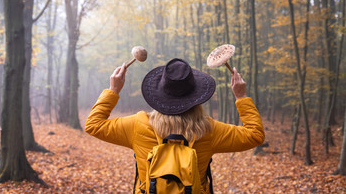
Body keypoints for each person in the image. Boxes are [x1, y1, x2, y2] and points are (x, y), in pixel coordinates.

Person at [85, 58, 265, 193]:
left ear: (158, 95)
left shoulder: (138, 125)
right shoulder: (209, 130)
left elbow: (93, 124)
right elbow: (255, 135)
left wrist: (113, 90)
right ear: (197, 98)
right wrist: (241, 97)